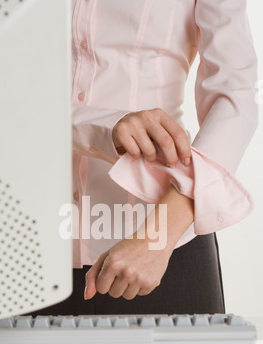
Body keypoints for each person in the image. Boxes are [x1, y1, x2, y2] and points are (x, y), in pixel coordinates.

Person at [43, 0, 258, 317]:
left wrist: (157, 240)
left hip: (163, 244)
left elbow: (234, 94)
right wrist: (104, 127)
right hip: (21, 245)